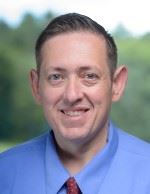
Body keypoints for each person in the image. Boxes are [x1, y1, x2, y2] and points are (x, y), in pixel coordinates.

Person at [0, 13, 150, 194]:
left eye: (89, 76)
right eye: (56, 77)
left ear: (116, 84)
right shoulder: (4, 174)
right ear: (36, 86)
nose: (72, 95)